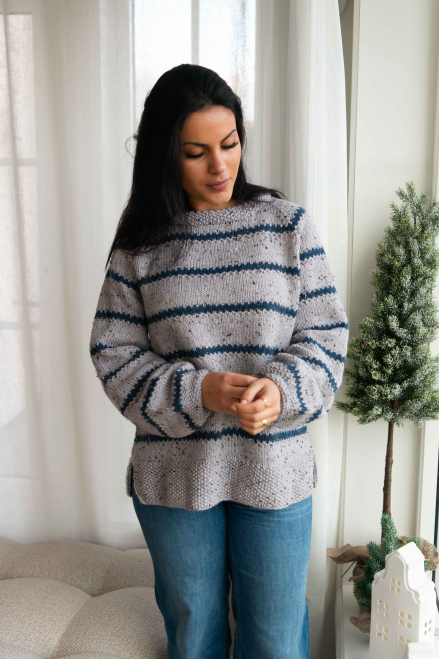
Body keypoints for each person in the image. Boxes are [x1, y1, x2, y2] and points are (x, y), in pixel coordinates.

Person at [89, 63, 349, 659]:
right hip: (174, 475)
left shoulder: (286, 226)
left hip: (275, 469)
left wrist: (280, 391)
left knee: (276, 641)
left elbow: (326, 335)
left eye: (229, 144)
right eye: (195, 152)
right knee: (195, 638)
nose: (220, 166)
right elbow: (114, 354)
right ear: (165, 156)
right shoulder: (140, 247)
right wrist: (197, 391)